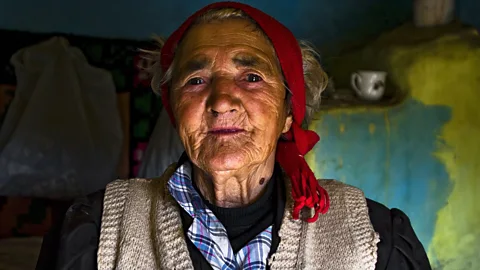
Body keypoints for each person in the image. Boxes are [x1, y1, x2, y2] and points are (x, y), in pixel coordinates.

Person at [36, 2, 431, 270]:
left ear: (289, 114)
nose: (222, 100)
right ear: (176, 113)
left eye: (252, 77)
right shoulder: (96, 232)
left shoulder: (377, 242)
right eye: (197, 80)